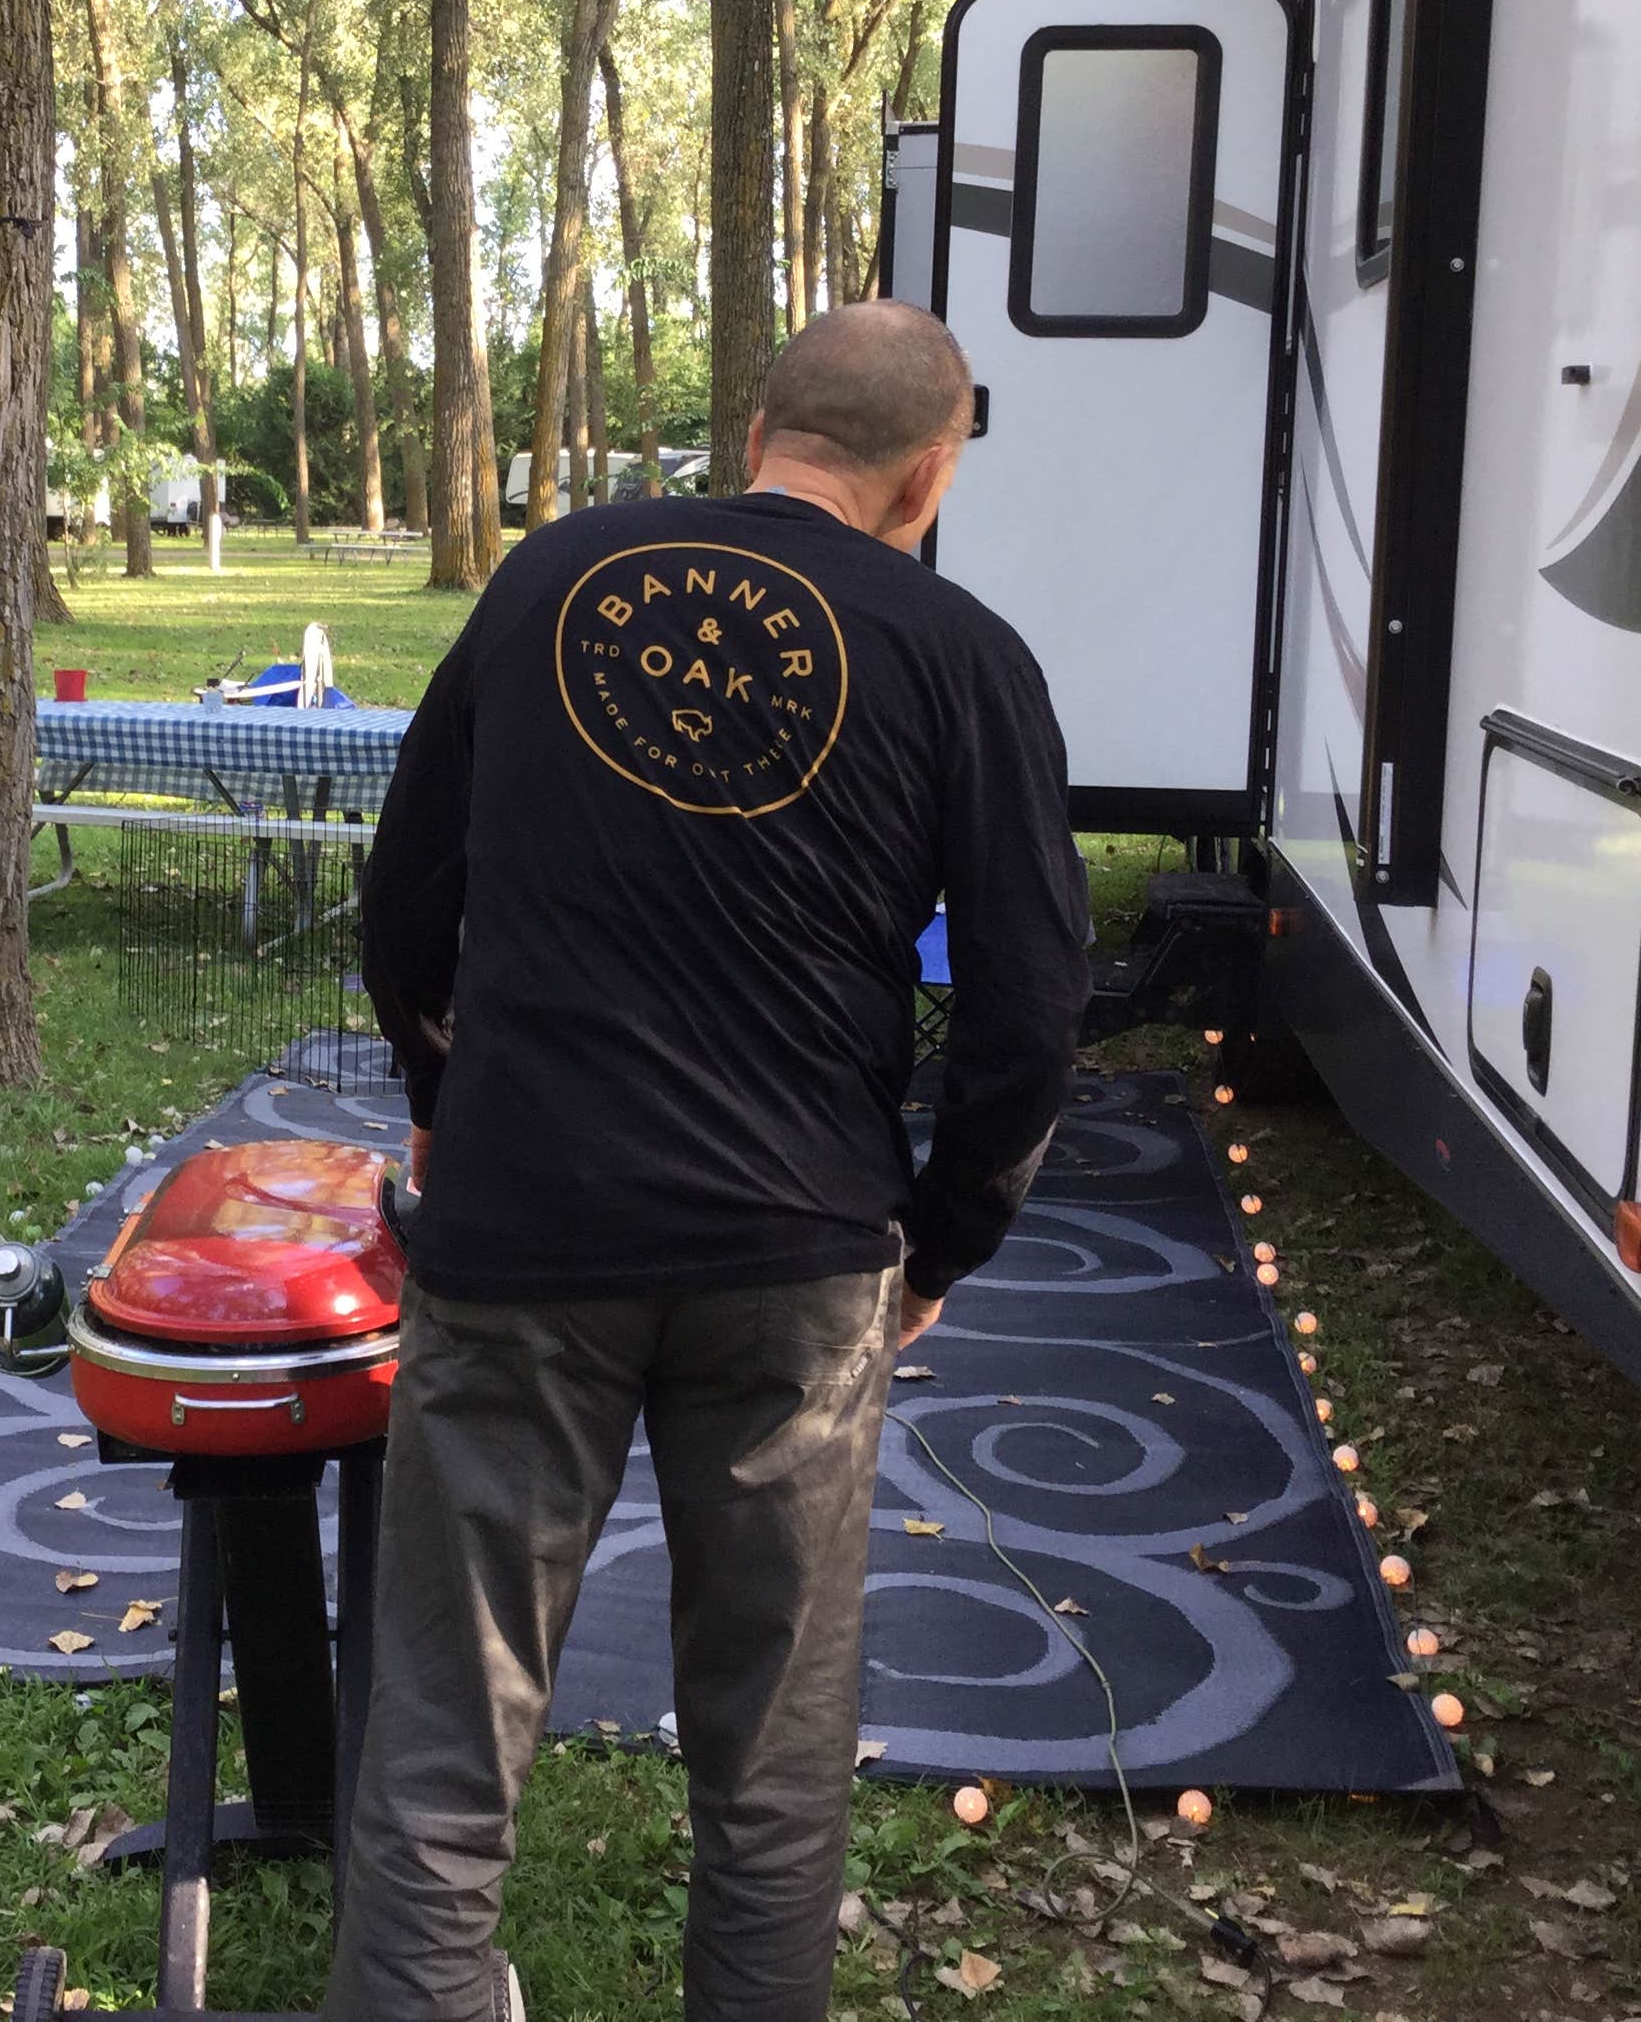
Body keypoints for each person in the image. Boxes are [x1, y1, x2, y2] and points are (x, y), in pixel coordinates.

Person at [331, 300, 1091, 2022]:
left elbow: (405, 897)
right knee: (773, 1754)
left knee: (448, 1732)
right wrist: (944, 1245)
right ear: (931, 474)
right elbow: (1033, 1018)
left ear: (757, 431)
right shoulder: (964, 655)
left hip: (526, 1237)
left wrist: (440, 1097)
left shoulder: (545, 582)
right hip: (798, 1262)